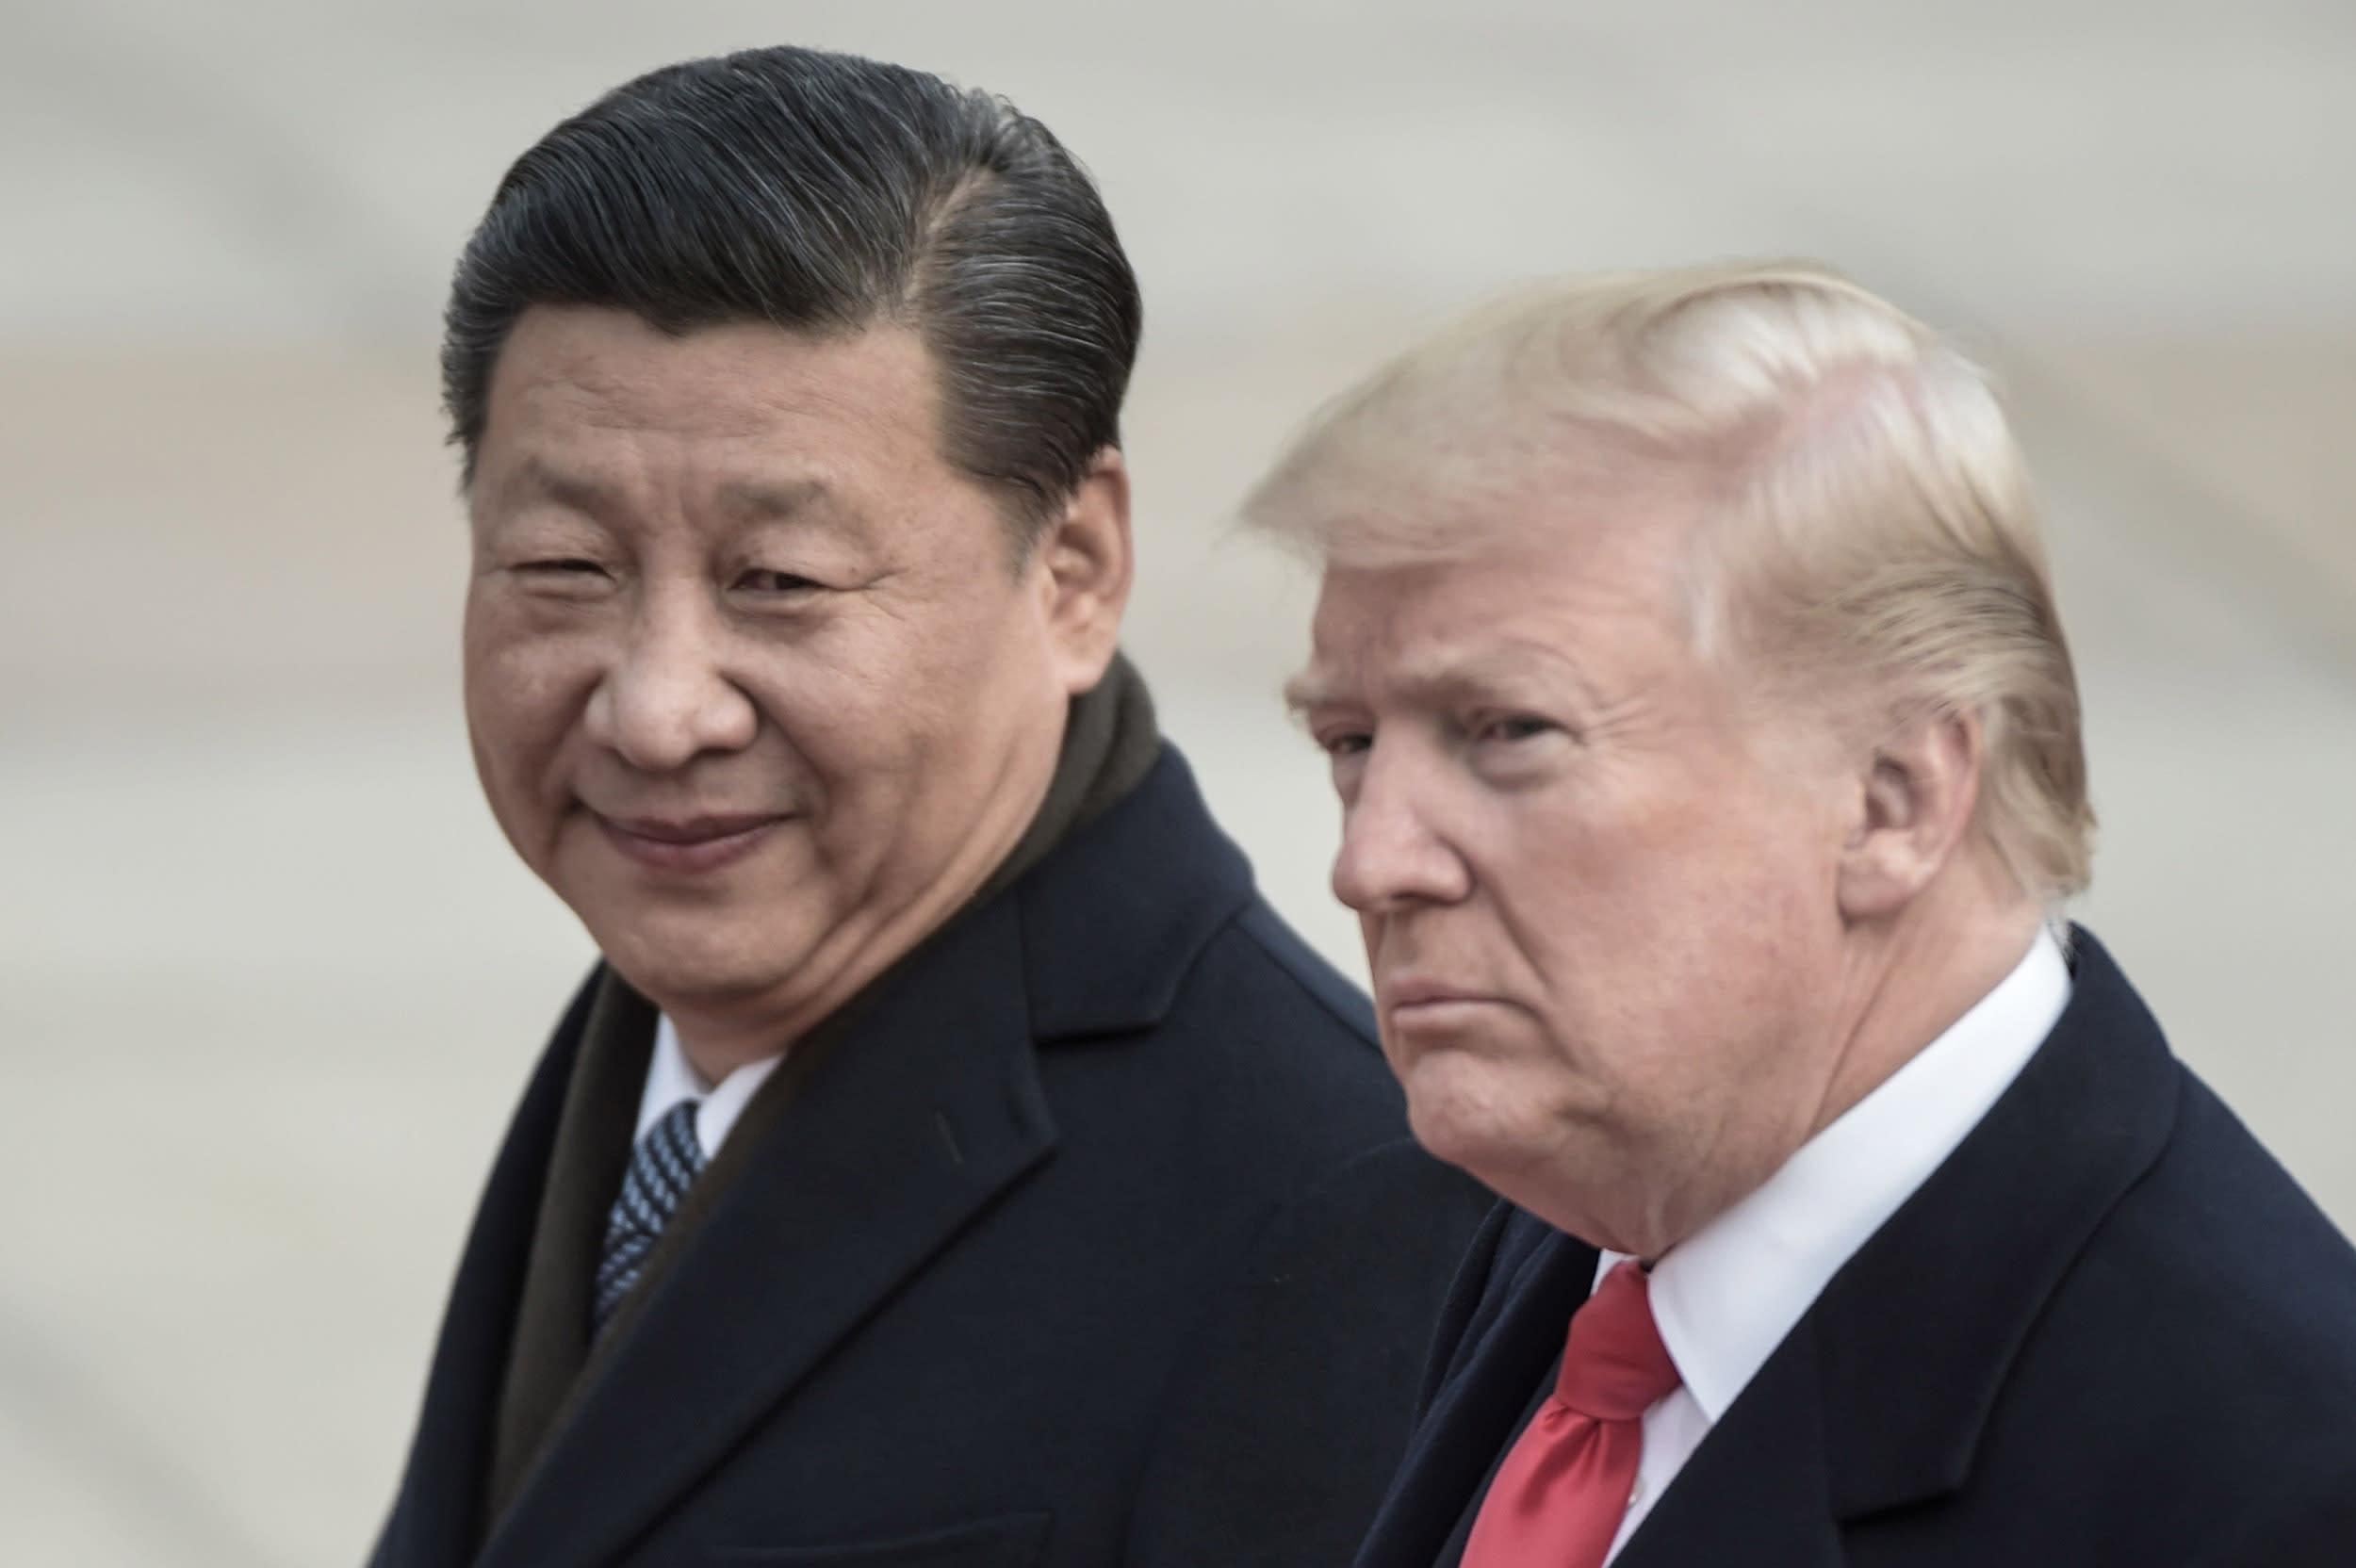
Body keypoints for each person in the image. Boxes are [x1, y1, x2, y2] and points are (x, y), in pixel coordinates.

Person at [369, 45, 1489, 1568]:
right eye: (565, 568)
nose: (657, 709)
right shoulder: (673, 1020)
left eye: (780, 582)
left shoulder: (1334, 1214)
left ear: (1074, 571)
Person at [1244, 262, 2356, 1566]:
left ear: (1892, 799)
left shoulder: (2275, 1484)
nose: (1371, 862)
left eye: (1508, 732)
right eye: (1351, 741)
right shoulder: (1595, 1199)